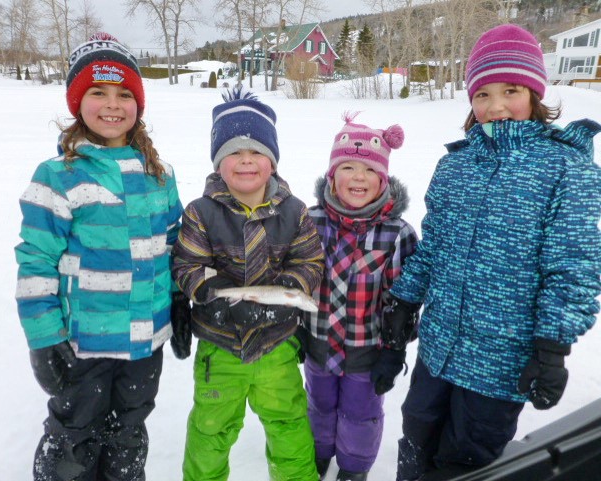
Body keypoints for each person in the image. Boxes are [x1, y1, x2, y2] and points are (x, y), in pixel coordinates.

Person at [385, 24, 601, 481]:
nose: (496, 106)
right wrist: (405, 299)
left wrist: (552, 345)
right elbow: (434, 244)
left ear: (536, 93)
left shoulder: (567, 168)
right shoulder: (456, 164)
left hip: (501, 362)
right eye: (482, 94)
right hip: (438, 346)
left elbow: (574, 268)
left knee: (466, 461)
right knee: (416, 437)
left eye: (511, 90)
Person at [14, 32, 188, 481]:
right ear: (77, 102)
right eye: (98, 92)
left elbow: (175, 245)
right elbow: (35, 262)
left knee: (129, 431)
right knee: (75, 434)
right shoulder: (58, 176)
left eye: (124, 94)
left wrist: (180, 301)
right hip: (82, 342)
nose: (112, 105)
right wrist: (43, 337)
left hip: (145, 340)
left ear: (138, 104)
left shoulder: (159, 174)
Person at [171, 87, 325, 481]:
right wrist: (216, 297)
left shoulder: (294, 211)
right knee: (210, 431)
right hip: (220, 348)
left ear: (271, 162)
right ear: (219, 163)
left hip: (277, 345)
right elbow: (187, 263)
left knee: (289, 426)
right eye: (234, 154)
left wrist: (289, 288)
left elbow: (310, 260)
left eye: (256, 152)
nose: (246, 162)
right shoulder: (200, 212)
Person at [300, 113, 419, 481]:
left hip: (367, 352)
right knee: (319, 405)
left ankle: (353, 467)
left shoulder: (397, 233)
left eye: (368, 170)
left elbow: (404, 297)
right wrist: (294, 326)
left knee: (360, 413)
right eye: (347, 167)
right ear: (332, 176)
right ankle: (319, 453)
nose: (358, 177)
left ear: (382, 179)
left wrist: (393, 347)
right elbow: (294, 278)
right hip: (318, 342)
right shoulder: (309, 220)